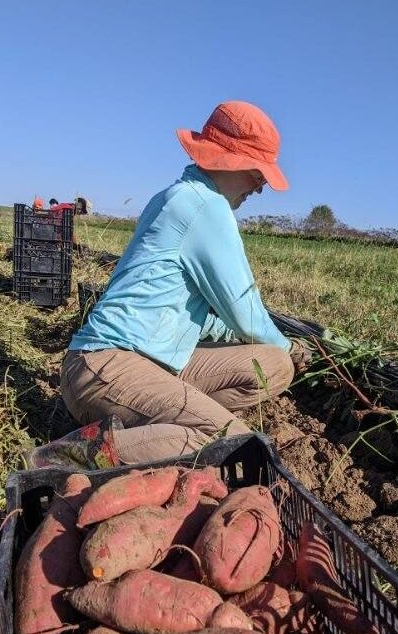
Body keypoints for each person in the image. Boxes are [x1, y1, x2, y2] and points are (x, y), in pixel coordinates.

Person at [25, 100, 312, 470]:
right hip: (106, 367)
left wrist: (278, 351)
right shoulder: (203, 206)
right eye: (258, 174)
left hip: (151, 363)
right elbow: (247, 312)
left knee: (273, 365)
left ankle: (164, 428)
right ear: (230, 160)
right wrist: (291, 346)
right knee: (230, 442)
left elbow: (185, 312)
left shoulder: (175, 197)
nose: (260, 188)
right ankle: (63, 461)